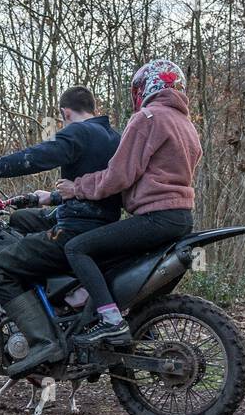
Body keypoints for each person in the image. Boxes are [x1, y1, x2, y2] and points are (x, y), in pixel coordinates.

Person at [0, 87, 121, 374]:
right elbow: (99, 187)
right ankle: (54, 300)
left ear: (65, 113)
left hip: (75, 229)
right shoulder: (114, 137)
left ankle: (43, 341)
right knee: (20, 220)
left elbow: (36, 157)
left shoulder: (78, 133)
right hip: (101, 225)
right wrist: (53, 197)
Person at [55, 58, 201, 346]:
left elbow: (119, 174)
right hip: (181, 218)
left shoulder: (148, 118)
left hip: (155, 218)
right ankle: (142, 329)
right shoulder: (186, 125)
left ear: (146, 86)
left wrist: (77, 188)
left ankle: (110, 321)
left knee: (77, 248)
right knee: (114, 263)